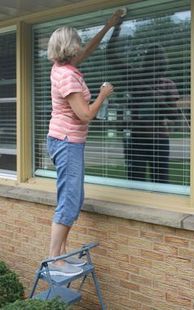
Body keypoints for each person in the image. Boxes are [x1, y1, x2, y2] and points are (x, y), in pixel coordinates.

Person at [46, 9, 124, 276]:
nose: (80, 45)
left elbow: (87, 51)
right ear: (70, 46)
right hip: (67, 142)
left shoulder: (63, 67)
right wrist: (103, 94)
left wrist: (108, 26)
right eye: (77, 41)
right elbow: (85, 114)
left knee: (73, 198)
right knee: (70, 201)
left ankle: (62, 255)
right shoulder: (67, 75)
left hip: (66, 141)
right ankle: (54, 259)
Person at [107, 23, 179, 183]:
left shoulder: (167, 84)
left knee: (161, 183)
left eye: (158, 60)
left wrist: (153, 97)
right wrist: (116, 28)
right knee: (135, 182)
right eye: (151, 59)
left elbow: (174, 115)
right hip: (136, 139)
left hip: (159, 141)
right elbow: (111, 56)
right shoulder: (135, 77)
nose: (154, 64)